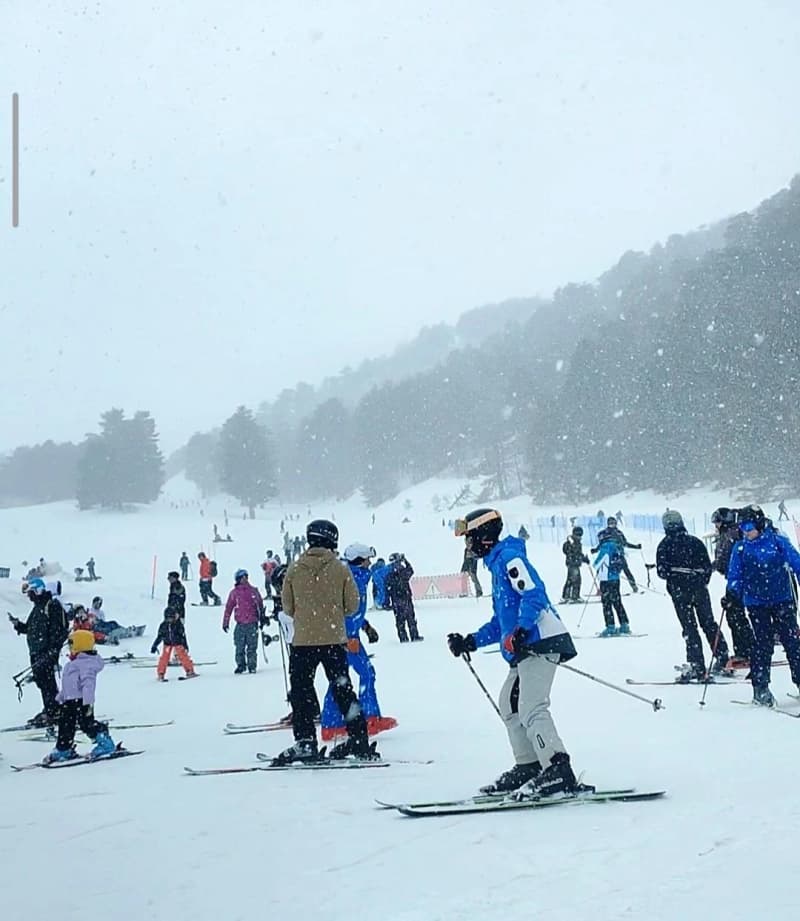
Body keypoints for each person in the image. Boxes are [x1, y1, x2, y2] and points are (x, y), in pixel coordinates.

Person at [447, 508, 580, 799]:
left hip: (542, 640)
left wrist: (522, 629)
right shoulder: (497, 566)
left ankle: (558, 769)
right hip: (525, 645)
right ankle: (529, 765)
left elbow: (534, 595)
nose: (468, 546)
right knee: (509, 704)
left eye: (470, 538)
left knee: (531, 706)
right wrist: (471, 640)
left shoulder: (510, 558)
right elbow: (500, 622)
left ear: (484, 535)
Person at [274, 519, 376, 764]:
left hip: (303, 643)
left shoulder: (295, 569)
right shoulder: (340, 569)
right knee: (343, 689)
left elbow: (287, 607)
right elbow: (352, 606)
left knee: (302, 691)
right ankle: (359, 738)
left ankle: (306, 740)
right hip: (333, 641)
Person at [320, 543, 396, 742]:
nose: (370, 563)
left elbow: (354, 610)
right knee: (360, 674)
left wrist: (365, 626)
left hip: (348, 635)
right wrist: (348, 637)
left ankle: (335, 723)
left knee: (342, 677)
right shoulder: (352, 579)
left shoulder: (356, 577)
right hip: (345, 638)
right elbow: (344, 611)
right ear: (360, 560)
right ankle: (365, 719)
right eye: (367, 559)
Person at [727, 505, 800, 706]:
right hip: (756, 604)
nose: (746, 531)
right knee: (762, 644)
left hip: (782, 600)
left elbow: (797, 563)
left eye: (749, 526)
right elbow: (735, 575)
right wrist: (732, 592)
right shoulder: (740, 548)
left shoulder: (777, 542)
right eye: (742, 527)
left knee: (792, 643)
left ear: (759, 524)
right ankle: (760, 688)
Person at [656, 510, 729, 682]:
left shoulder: (665, 545)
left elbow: (662, 571)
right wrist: (700, 581)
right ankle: (722, 655)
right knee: (707, 623)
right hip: (697, 590)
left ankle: (698, 664)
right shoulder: (694, 542)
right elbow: (706, 568)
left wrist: (679, 577)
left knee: (690, 628)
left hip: (681, 592)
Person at [43, 629, 117, 763]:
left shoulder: (86, 664)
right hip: (69, 701)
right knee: (65, 724)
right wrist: (61, 696)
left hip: (82, 701)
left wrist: (88, 702)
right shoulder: (73, 664)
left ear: (80, 645)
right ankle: (63, 748)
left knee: (86, 724)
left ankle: (105, 743)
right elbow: (68, 684)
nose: (70, 648)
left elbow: (88, 683)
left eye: (72, 645)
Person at [10, 577, 69, 726]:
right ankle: (51, 708)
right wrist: (18, 625)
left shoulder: (52, 605)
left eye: (31, 593)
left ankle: (54, 711)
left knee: (48, 681)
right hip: (36, 652)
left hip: (47, 651)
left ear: (38, 590)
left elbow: (60, 630)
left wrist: (53, 649)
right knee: (42, 682)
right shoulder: (37, 607)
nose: (29, 596)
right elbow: (30, 628)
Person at [710, 507, 754, 668]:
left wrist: (712, 567)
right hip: (737, 580)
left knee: (735, 615)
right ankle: (747, 648)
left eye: (717, 522)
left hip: (738, 581)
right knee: (736, 614)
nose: (716, 526)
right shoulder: (731, 533)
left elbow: (724, 559)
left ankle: (746, 650)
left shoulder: (731, 536)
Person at [222, 569, 266, 674]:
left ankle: (252, 666)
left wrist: (262, 618)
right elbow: (228, 608)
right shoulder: (234, 593)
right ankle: (241, 665)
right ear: (238, 579)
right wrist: (225, 622)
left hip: (252, 623)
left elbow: (260, 605)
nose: (245, 579)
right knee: (239, 647)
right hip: (240, 624)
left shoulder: (254, 591)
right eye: (242, 577)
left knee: (252, 647)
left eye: (246, 577)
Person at [592, 538, 632, 635]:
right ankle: (624, 624)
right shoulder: (617, 548)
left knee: (607, 604)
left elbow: (597, 564)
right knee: (617, 602)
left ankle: (610, 626)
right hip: (616, 579)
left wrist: (597, 567)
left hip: (605, 579)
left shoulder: (605, 548)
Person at [593, 517, 640, 593]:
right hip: (607, 556)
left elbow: (625, 543)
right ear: (608, 524)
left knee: (626, 570)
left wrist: (636, 546)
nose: (613, 525)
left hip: (619, 555)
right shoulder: (604, 533)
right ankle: (603, 590)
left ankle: (634, 586)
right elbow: (601, 544)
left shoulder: (619, 533)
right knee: (604, 572)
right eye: (611, 523)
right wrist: (596, 550)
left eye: (614, 523)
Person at [151, 608, 198, 681]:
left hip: (178, 643)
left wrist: (185, 645)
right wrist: (155, 645)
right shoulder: (163, 625)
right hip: (167, 643)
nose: (170, 620)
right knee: (164, 658)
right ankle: (161, 673)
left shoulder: (178, 624)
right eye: (168, 618)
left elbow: (183, 636)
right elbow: (160, 636)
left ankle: (189, 671)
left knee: (183, 656)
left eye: (172, 618)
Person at [385, 553, 423, 642]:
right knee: (410, 618)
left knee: (400, 620)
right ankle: (414, 636)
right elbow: (411, 570)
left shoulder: (389, 575)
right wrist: (405, 560)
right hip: (405, 598)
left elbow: (387, 589)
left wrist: (387, 602)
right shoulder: (403, 572)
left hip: (396, 600)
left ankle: (403, 638)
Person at [561, 526, 589, 603]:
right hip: (572, 563)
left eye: (580, 535)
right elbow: (567, 551)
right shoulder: (570, 542)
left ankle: (567, 596)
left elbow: (579, 554)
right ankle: (574, 596)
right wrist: (569, 546)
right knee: (576, 580)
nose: (579, 537)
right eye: (578, 535)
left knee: (570, 580)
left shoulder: (578, 543)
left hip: (575, 563)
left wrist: (584, 559)